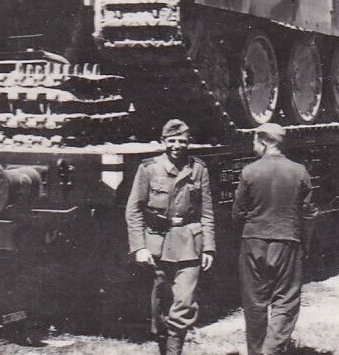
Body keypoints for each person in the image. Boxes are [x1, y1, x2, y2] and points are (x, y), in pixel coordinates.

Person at [125, 119, 215, 355]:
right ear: (163, 142)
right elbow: (134, 209)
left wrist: (208, 248)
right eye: (172, 141)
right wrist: (139, 247)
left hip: (189, 243)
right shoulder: (149, 169)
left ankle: (174, 352)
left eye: (182, 141)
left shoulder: (198, 169)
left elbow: (207, 211)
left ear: (189, 143)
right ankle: (164, 347)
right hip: (157, 243)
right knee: (160, 307)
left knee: (183, 304)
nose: (177, 146)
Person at [232, 123, 318, 355]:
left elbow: (238, 212)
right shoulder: (299, 171)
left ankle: (257, 351)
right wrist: (305, 245)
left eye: (254, 142)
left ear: (263, 142)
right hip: (287, 242)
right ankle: (272, 350)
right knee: (286, 302)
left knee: (254, 303)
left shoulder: (249, 171)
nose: (253, 147)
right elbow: (308, 214)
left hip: (253, 242)